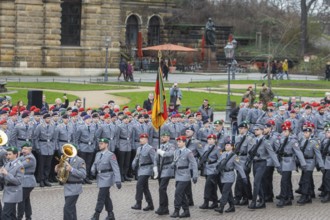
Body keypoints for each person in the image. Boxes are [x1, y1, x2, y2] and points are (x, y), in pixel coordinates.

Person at [90, 138, 121, 220]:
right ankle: (111, 214)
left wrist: (118, 180)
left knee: (101, 196)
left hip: (107, 177)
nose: (99, 145)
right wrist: (92, 169)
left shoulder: (111, 155)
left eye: (102, 143)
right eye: (99, 143)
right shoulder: (98, 154)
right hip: (100, 177)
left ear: (106, 144)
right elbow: (95, 163)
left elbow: (116, 168)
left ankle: (96, 214)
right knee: (106, 196)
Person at [276, 123, 306, 208]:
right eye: (283, 131)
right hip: (282, 161)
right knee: (287, 180)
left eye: (286, 131)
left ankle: (283, 198)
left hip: (289, 162)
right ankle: (289, 197)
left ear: (290, 131)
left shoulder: (293, 141)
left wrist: (303, 163)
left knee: (284, 181)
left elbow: (298, 152)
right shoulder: (281, 139)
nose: (284, 132)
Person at [214, 140, 246, 214]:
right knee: (228, 192)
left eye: (228, 145)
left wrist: (244, 177)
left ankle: (221, 207)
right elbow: (218, 162)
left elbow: (239, 167)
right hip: (223, 175)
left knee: (225, 191)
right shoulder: (223, 154)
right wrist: (216, 168)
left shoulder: (234, 156)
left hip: (230, 175)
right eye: (225, 145)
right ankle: (232, 206)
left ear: (232, 147)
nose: (226, 146)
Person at [170, 136, 198, 218]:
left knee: (178, 193)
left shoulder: (188, 152)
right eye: (177, 141)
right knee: (181, 194)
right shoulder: (176, 151)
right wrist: (173, 164)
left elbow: (194, 164)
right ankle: (186, 211)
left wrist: (195, 175)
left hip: (185, 175)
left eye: (180, 141)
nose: (178, 143)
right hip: (178, 174)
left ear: (184, 142)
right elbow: (175, 161)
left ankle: (177, 210)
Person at [131, 133, 156, 211]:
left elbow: (154, 160)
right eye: (140, 139)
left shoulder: (150, 148)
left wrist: (155, 170)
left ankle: (138, 203)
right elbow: (136, 158)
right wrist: (133, 164)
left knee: (139, 184)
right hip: (141, 169)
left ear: (147, 140)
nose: (141, 140)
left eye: (143, 139)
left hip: (148, 169)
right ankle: (150, 204)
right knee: (145, 188)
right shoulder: (139, 148)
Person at [154, 132, 176, 215]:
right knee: (161, 189)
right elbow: (155, 158)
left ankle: (162, 207)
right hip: (160, 169)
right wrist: (155, 168)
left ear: (168, 138)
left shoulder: (171, 146)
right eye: (162, 137)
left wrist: (162, 153)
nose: (162, 138)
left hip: (167, 169)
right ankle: (164, 208)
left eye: (164, 137)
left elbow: (170, 154)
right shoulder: (159, 146)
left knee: (162, 188)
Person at [0, 146, 24, 219]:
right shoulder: (8, 164)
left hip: (14, 192)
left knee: (5, 215)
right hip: (8, 191)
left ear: (15, 155)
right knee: (12, 215)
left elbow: (18, 181)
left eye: (10, 154)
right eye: (7, 154)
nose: (8, 156)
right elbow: (3, 176)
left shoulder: (20, 166)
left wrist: (7, 174)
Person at [198, 134, 221, 210]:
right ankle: (215, 202)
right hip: (207, 169)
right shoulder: (206, 147)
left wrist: (215, 165)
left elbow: (220, 160)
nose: (210, 141)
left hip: (213, 169)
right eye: (209, 139)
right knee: (212, 186)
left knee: (207, 186)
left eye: (212, 139)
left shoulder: (217, 148)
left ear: (215, 140)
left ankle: (206, 202)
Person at [33, 113, 56, 187]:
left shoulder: (52, 126)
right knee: (41, 165)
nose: (48, 120)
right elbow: (35, 138)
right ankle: (41, 180)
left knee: (48, 165)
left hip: (50, 147)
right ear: (44, 119)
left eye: (49, 118)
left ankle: (46, 179)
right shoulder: (39, 126)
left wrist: (53, 146)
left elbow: (54, 138)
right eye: (47, 118)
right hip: (42, 146)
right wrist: (37, 147)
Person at [17, 142, 37, 220]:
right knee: (26, 199)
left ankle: (19, 217)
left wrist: (17, 157)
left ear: (30, 149)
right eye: (22, 149)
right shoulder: (24, 156)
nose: (23, 150)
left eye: (25, 149)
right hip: (25, 182)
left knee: (20, 199)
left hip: (28, 182)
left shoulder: (30, 158)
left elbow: (20, 165)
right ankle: (28, 216)